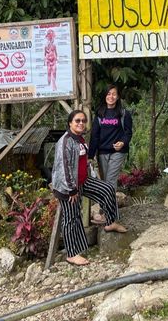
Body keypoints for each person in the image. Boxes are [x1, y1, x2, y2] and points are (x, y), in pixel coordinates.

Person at [51, 109, 127, 266]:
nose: (80, 123)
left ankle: (110, 222)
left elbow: (83, 162)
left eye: (83, 121)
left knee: (107, 189)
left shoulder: (79, 139)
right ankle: (72, 254)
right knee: (72, 218)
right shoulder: (65, 141)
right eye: (77, 121)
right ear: (70, 123)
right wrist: (71, 190)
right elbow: (63, 167)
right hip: (68, 187)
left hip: (83, 181)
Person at [88, 84, 133, 223]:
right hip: (102, 152)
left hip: (117, 152)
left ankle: (108, 215)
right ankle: (108, 212)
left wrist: (122, 143)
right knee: (104, 183)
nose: (111, 97)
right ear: (105, 96)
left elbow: (128, 133)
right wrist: (90, 156)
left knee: (110, 181)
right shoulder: (100, 114)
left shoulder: (124, 113)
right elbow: (95, 136)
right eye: (108, 94)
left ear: (118, 96)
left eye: (114, 94)